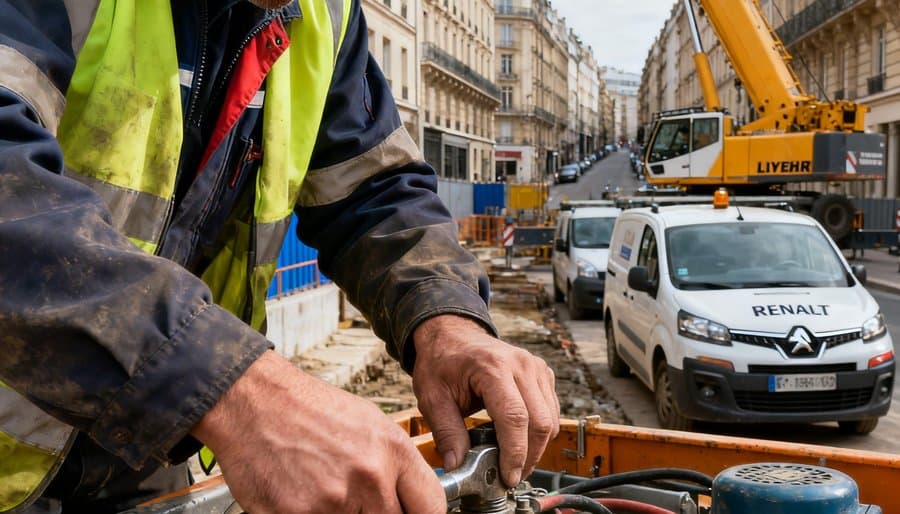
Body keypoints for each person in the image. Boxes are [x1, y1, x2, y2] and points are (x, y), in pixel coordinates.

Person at [0, 1, 559, 513]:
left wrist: (446, 319)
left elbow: (373, 190)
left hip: (152, 451)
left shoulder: (326, 16)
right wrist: (238, 392)